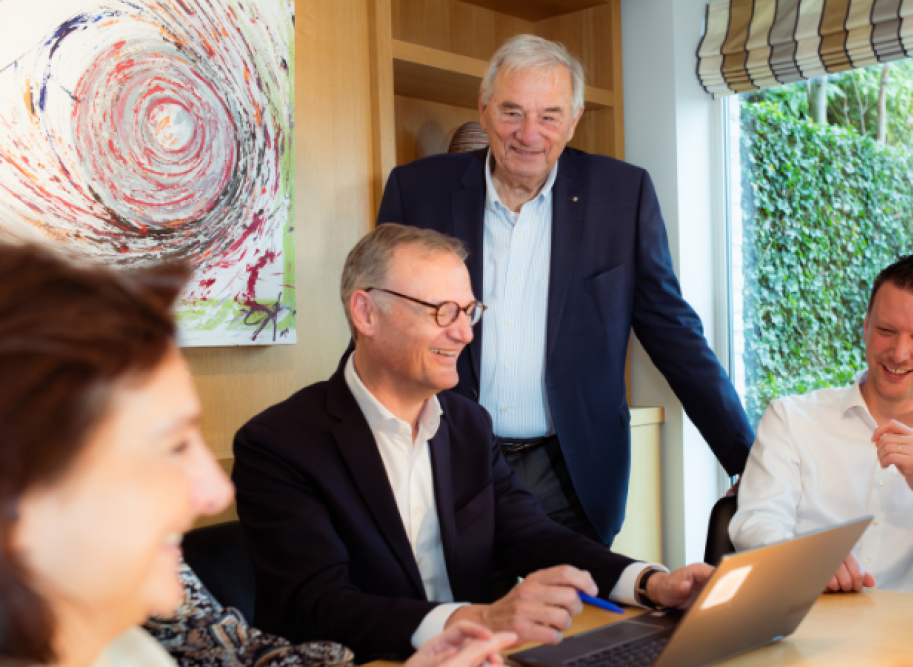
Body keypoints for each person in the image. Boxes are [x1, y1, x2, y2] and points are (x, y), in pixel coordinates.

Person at [0, 242, 516, 667]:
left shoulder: (143, 614)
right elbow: (316, 604)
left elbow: (243, 656)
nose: (215, 489)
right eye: (171, 445)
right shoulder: (282, 440)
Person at [232, 224, 714, 662]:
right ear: (366, 312)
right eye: (442, 311)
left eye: (468, 311)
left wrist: (651, 583)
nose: (464, 333)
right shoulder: (278, 444)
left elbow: (532, 535)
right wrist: (474, 621)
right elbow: (316, 605)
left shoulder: (468, 424)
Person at [374, 34, 753, 546]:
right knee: (463, 620)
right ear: (483, 110)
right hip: (444, 461)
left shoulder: (622, 195)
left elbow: (675, 336)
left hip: (572, 476)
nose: (529, 134)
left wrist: (748, 462)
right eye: (512, 112)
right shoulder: (416, 191)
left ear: (573, 121)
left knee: (576, 623)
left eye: (549, 116)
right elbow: (377, 328)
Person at [729, 254, 913, 601]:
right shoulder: (790, 420)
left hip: (910, 649)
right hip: (801, 633)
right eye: (886, 331)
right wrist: (807, 563)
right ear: (865, 327)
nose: (898, 353)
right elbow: (756, 525)